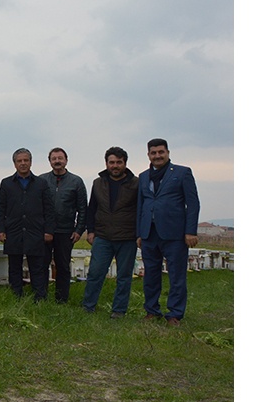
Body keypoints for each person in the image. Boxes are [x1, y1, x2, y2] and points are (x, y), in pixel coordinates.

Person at [137, 138, 200, 326]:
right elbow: (141, 205)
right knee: (151, 274)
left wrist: (190, 231)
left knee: (176, 276)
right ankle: (151, 310)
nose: (157, 156)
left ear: (168, 153)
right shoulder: (143, 176)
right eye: (153, 153)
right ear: (148, 155)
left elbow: (193, 203)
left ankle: (175, 313)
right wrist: (139, 233)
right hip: (149, 233)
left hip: (175, 234)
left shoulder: (182, 173)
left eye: (161, 152)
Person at [82, 147, 139, 318]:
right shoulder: (98, 183)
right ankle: (88, 306)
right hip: (103, 236)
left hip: (127, 237)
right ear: (106, 163)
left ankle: (119, 310)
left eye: (119, 162)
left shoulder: (136, 184)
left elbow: (140, 210)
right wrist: (90, 231)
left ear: (125, 163)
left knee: (124, 276)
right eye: (112, 162)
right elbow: (92, 208)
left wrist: (139, 234)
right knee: (95, 273)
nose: (115, 166)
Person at [0, 148, 54, 301]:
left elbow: (49, 209)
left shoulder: (41, 184)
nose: (23, 163)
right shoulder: (7, 183)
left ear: (31, 162)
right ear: (14, 163)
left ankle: (39, 298)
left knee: (37, 267)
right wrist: (0, 230)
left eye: (25, 160)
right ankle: (16, 296)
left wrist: (49, 231)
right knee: (14, 267)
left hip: (36, 231)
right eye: (19, 161)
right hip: (13, 231)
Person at [38, 147, 87, 304]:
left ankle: (61, 299)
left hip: (66, 231)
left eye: (60, 158)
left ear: (66, 160)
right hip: (44, 231)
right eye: (54, 158)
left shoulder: (76, 181)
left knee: (63, 267)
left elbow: (83, 209)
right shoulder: (42, 180)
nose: (57, 161)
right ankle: (41, 297)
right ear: (50, 161)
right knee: (41, 265)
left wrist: (79, 230)